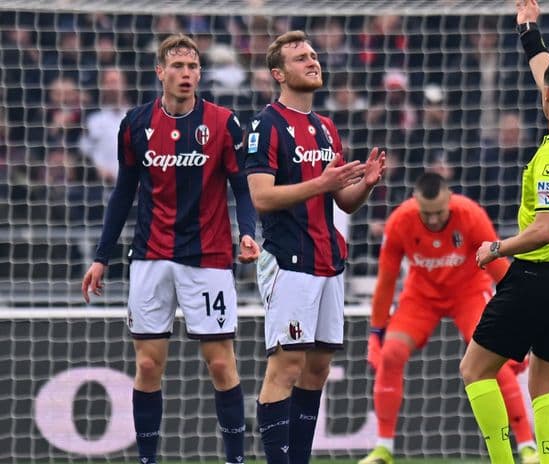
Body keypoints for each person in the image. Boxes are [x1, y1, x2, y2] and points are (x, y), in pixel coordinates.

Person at [80, 34, 259, 464]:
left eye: (193, 67)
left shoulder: (222, 122)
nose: (186, 74)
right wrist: (101, 256)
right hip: (151, 257)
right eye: (177, 66)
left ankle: (235, 459)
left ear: (200, 73)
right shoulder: (136, 124)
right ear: (160, 71)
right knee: (146, 367)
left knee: (220, 366)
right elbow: (123, 193)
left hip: (209, 258)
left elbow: (242, 188)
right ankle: (147, 460)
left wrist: (248, 232)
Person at [460, 1, 549, 463]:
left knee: (475, 371)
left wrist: (496, 247)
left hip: (538, 276)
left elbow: (545, 229)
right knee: (545, 384)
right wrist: (529, 32)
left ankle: (504, 462)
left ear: (546, 98)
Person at [245, 30, 386, 464]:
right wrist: (321, 183)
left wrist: (363, 186)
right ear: (278, 73)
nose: (313, 62)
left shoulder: (326, 128)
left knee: (318, 367)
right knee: (285, 366)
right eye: (301, 58)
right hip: (289, 259)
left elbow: (340, 200)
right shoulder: (265, 125)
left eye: (313, 55)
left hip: (328, 260)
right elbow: (261, 197)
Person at [359, 173, 538, 464]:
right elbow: (386, 280)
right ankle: (383, 449)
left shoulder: (470, 214)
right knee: (391, 355)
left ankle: (527, 447)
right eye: (425, 214)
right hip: (421, 297)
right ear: (416, 204)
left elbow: (499, 268)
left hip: (468, 292)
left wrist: (516, 326)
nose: (432, 220)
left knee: (491, 362)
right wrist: (376, 333)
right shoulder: (400, 221)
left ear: (449, 201)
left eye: (438, 213)